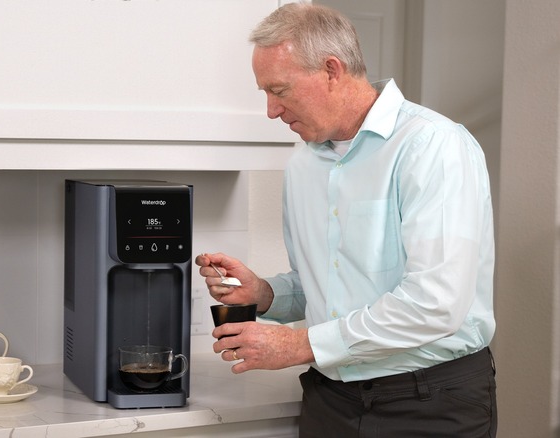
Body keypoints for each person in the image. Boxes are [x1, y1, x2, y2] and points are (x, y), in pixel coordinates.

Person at [196, 4, 497, 437]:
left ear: (332, 70)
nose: (271, 111)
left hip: (430, 403)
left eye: (279, 90)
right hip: (330, 400)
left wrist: (301, 344)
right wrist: (264, 294)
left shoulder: (432, 147)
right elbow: (323, 286)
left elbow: (436, 303)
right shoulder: (304, 166)